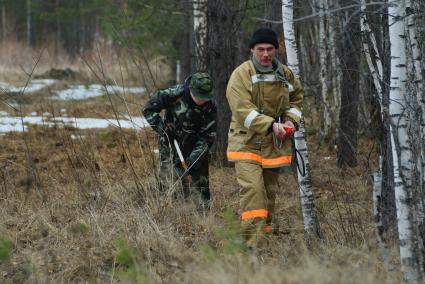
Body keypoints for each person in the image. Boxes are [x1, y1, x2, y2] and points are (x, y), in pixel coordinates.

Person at [226, 27, 303, 248]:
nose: (265, 54)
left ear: (276, 50)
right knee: (253, 191)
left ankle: (264, 239)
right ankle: (251, 245)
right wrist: (271, 125)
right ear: (252, 50)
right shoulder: (241, 74)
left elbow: (297, 99)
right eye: (260, 49)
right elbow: (242, 111)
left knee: (269, 194)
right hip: (246, 142)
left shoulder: (286, 74)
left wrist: (290, 121)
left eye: (270, 49)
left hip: (274, 144)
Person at [143, 72, 216, 210]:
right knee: (170, 187)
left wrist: (194, 159)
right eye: (199, 97)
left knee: (200, 192)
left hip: (195, 148)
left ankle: (202, 222)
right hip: (171, 146)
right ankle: (171, 220)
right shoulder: (174, 94)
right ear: (191, 90)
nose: (202, 101)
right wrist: (163, 130)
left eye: (205, 98)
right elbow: (148, 109)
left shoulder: (210, 106)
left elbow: (207, 137)